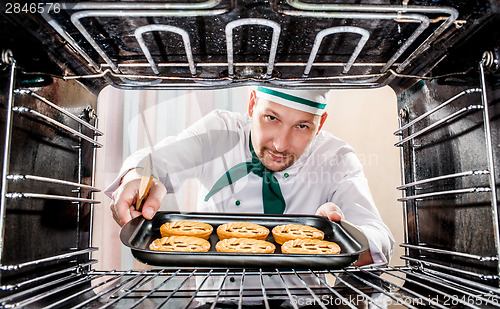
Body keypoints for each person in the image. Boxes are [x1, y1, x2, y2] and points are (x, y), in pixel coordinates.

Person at [105, 86, 394, 266]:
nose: (281, 144)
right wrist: (140, 176)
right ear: (252, 103)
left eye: (302, 127)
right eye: (272, 118)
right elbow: (158, 161)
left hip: (302, 302)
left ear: (321, 124)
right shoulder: (220, 130)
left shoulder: (337, 157)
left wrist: (343, 234)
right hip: (215, 299)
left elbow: (379, 236)